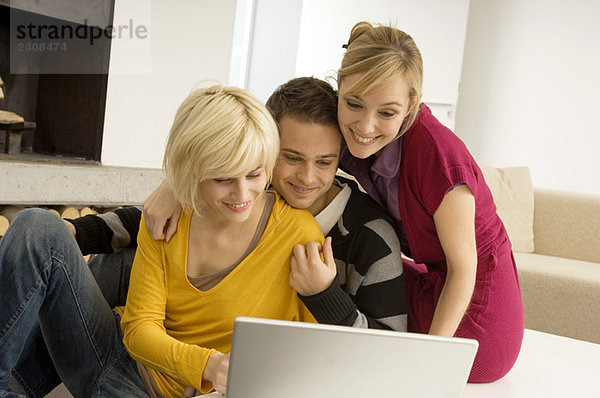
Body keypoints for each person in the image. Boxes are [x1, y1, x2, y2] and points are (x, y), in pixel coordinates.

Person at [0, 85, 322, 397]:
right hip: (115, 359)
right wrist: (206, 365)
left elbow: (310, 353)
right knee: (36, 226)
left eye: (254, 175)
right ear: (192, 171)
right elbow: (139, 330)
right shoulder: (167, 217)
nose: (242, 194)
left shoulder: (298, 234)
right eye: (222, 178)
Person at [68, 77, 407, 331]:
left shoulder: (371, 238)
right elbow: (169, 221)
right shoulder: (259, 186)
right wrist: (175, 183)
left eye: (324, 162)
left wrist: (322, 294)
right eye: (291, 158)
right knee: (125, 259)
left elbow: (390, 353)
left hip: (275, 370)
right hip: (197, 346)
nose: (306, 178)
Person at [335, 21, 524, 382]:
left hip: (476, 313)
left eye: (387, 112)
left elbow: (464, 269)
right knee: (335, 260)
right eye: (353, 103)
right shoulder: (349, 131)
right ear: (339, 90)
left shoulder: (437, 155)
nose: (365, 125)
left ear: (411, 105)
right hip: (436, 278)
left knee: (338, 277)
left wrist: (431, 365)